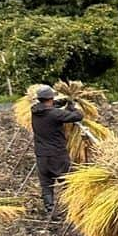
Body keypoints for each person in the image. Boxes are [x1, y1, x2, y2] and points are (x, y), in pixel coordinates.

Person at [30, 85, 83, 213]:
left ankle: (49, 209)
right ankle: (72, 208)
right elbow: (78, 116)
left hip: (41, 155)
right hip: (57, 155)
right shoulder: (55, 114)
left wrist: (63, 101)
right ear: (50, 98)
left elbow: (51, 106)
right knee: (67, 181)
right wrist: (72, 106)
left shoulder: (34, 111)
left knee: (46, 184)